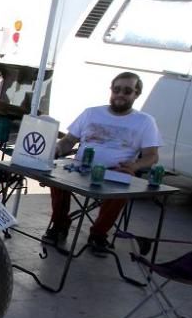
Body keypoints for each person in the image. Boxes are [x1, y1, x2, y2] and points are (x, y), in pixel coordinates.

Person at [42, 72, 161, 255]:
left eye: (127, 91)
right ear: (111, 90)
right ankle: (60, 224)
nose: (120, 94)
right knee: (55, 175)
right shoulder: (91, 113)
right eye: (117, 89)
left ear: (136, 95)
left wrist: (134, 166)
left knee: (124, 184)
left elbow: (152, 156)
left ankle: (98, 234)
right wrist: (56, 150)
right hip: (81, 167)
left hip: (116, 170)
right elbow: (68, 141)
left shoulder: (145, 121)